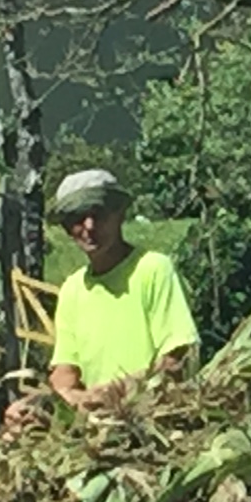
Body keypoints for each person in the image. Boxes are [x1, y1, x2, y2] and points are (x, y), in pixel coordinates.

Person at [39, 166, 199, 413]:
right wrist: (61, 398)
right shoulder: (73, 290)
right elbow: (64, 373)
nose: (89, 226)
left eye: (99, 214)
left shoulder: (152, 269)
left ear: (119, 213)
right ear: (65, 227)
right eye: (77, 219)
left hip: (154, 416)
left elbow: (177, 360)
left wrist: (115, 392)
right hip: (98, 424)